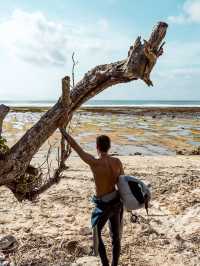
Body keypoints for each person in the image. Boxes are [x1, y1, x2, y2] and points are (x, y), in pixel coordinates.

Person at [60, 129, 124, 266]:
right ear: (109, 146)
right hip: (117, 203)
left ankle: (105, 264)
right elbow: (122, 183)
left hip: (103, 205)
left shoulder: (94, 163)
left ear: (97, 147)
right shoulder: (117, 162)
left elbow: (77, 148)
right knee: (116, 237)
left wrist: (64, 132)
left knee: (96, 231)